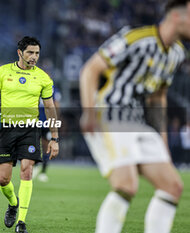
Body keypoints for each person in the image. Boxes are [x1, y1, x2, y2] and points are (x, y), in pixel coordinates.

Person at [80, 1, 189, 232]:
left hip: (138, 122)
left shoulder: (177, 53)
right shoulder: (135, 38)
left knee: (172, 186)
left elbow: (158, 98)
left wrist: (163, 141)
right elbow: (91, 69)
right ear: (178, 16)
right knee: (126, 185)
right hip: (110, 113)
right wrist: (88, 112)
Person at [0, 36, 59, 233]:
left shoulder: (43, 77)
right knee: (3, 180)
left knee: (27, 170)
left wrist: (54, 137)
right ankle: (13, 203)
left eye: (37, 53)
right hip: (7, 129)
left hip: (30, 130)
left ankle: (22, 222)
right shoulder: (3, 72)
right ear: (20, 53)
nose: (34, 57)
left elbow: (50, 108)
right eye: (30, 53)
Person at [33, 86, 61, 182]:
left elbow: (56, 105)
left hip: (46, 122)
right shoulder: (34, 84)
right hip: (35, 120)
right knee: (34, 144)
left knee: (46, 146)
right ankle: (36, 166)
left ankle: (43, 172)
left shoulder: (51, 88)